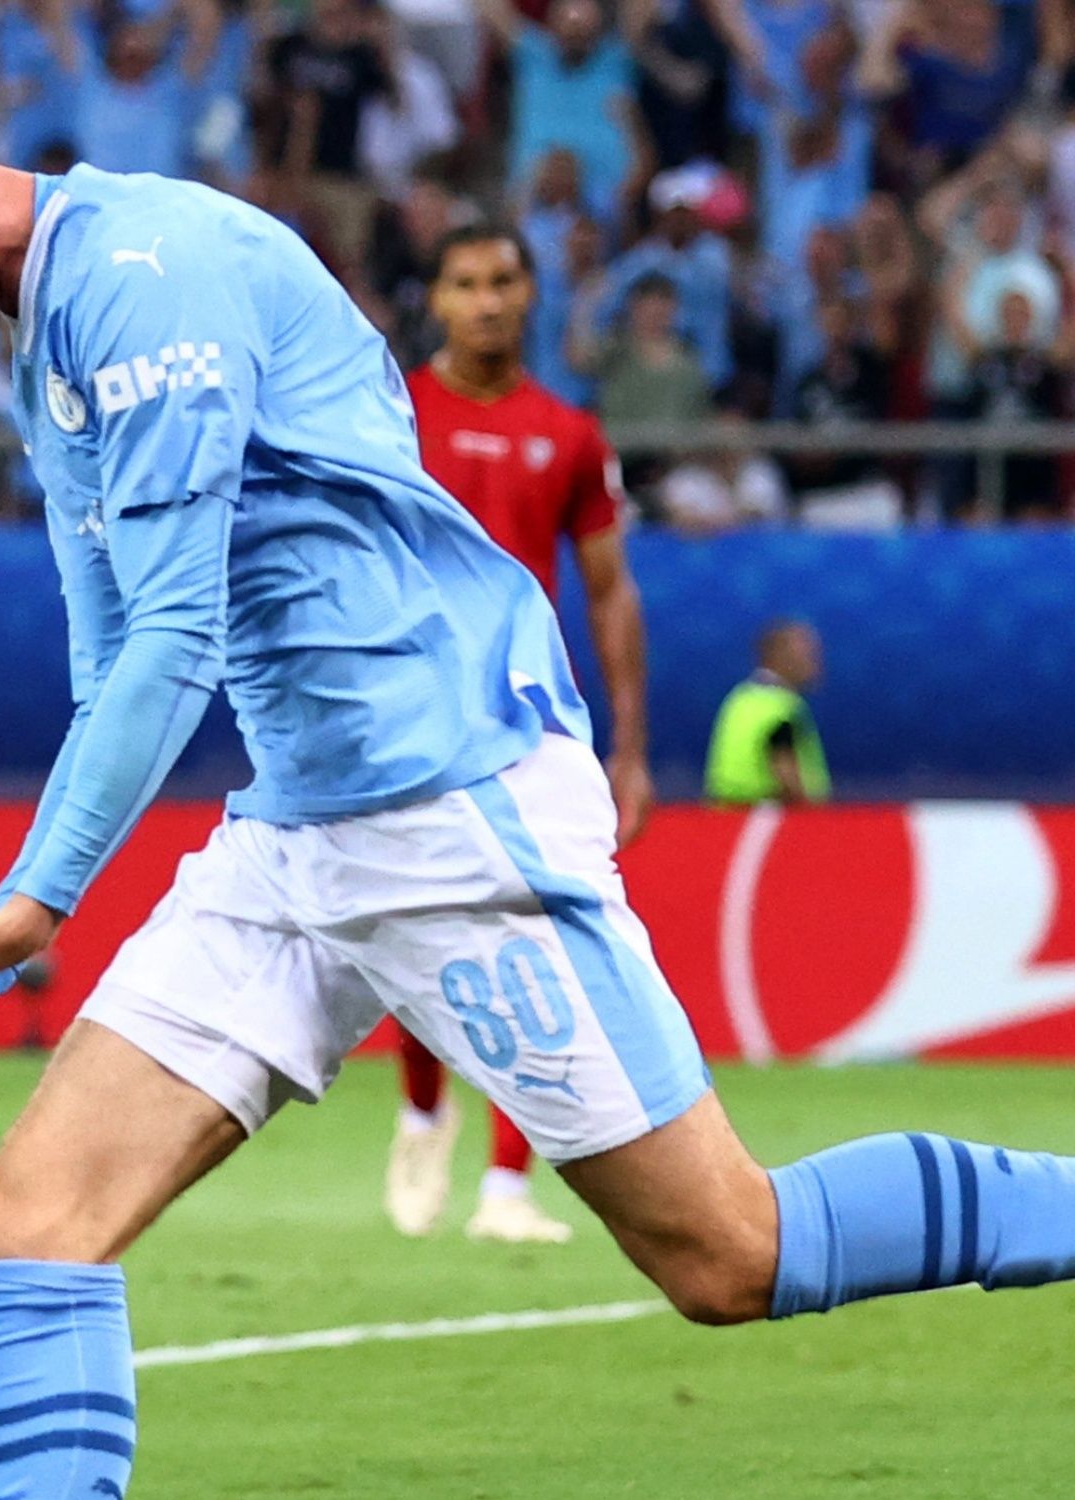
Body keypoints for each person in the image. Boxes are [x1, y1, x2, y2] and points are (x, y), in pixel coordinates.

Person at [0, 51, 1075, 1500]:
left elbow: (168, 640)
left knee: (726, 1257)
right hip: (300, 830)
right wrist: (34, 902)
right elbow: (115, 652)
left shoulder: (143, 278)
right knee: (29, 1220)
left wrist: (32, 907)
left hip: (450, 807)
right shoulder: (49, 348)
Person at [388, 222, 656, 1247]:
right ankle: (421, 1110)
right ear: (440, 300)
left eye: (503, 281)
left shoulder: (571, 433)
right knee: (410, 926)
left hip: (529, 722)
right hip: (407, 715)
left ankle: (506, 1185)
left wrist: (627, 746)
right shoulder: (393, 411)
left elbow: (610, 589)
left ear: (531, 292)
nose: (487, 300)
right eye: (465, 283)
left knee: (530, 936)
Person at [704, 619, 827, 805]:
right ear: (779, 656)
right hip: (767, 816)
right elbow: (784, 767)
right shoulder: (779, 706)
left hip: (725, 816)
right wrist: (811, 813)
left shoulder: (740, 698)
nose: (816, 664)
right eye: (808, 654)